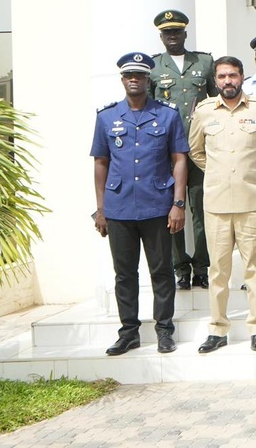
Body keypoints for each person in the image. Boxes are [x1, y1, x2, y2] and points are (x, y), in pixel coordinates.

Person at [91, 52, 189, 356]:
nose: (134, 79)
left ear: (149, 79)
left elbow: (179, 160)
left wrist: (179, 203)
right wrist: (101, 208)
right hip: (119, 208)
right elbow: (101, 163)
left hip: (158, 205)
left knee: (161, 271)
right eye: (129, 75)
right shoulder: (106, 117)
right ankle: (129, 332)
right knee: (124, 273)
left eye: (140, 75)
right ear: (122, 80)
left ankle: (164, 330)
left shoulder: (168, 115)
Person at [189, 56, 256, 353]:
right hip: (216, 203)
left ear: (242, 76)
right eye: (222, 77)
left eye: (232, 75)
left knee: (255, 269)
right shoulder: (204, 112)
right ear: (215, 81)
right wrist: (220, 174)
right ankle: (218, 329)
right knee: (218, 271)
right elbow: (196, 152)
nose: (227, 81)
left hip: (252, 201)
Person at [149, 9, 215, 291]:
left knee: (201, 210)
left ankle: (202, 266)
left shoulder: (204, 62)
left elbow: (215, 102)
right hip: (167, 152)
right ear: (161, 36)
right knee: (171, 210)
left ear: (185, 33)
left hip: (200, 149)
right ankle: (180, 267)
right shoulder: (153, 67)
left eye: (176, 31)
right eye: (167, 33)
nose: (172, 36)